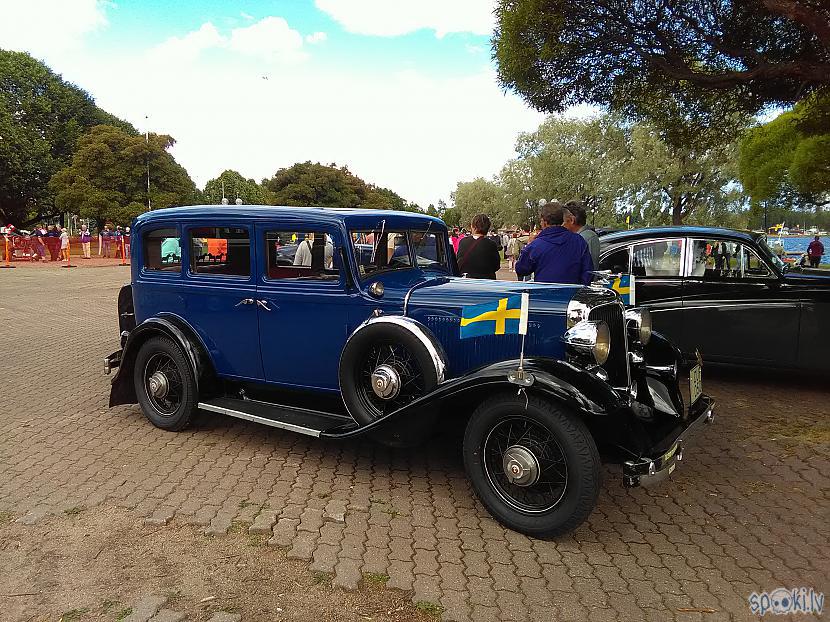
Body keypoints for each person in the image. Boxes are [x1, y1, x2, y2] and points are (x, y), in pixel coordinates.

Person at [515, 201, 593, 285]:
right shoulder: (579, 241)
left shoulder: (536, 245)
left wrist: (528, 245)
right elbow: (588, 272)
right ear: (562, 219)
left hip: (544, 295)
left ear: (544, 222)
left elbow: (521, 269)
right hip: (572, 294)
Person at [456, 214, 502, 279]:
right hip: (486, 280)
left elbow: (458, 261)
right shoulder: (491, 244)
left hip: (467, 280)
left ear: (473, 226)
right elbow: (496, 266)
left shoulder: (463, 242)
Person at [564, 201, 600, 270]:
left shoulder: (588, 237)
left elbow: (591, 270)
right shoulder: (581, 237)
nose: (562, 224)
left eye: (564, 221)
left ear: (572, 220)